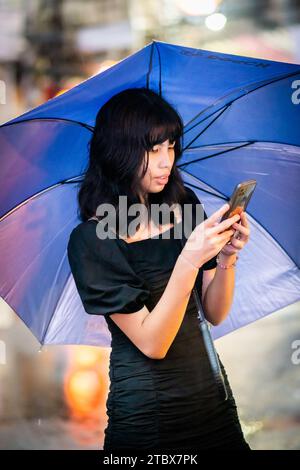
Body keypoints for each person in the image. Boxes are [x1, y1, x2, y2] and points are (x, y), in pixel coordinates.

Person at [67, 87, 251, 451]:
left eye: (170, 146)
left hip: (213, 402)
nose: (167, 161)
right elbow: (153, 344)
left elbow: (214, 312)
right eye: (154, 150)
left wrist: (227, 257)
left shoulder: (185, 205)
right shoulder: (92, 240)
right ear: (120, 151)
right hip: (149, 421)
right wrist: (188, 261)